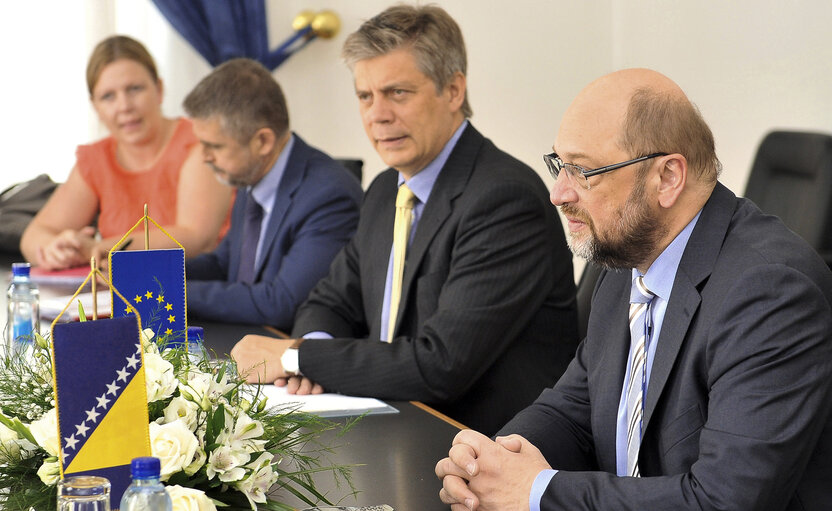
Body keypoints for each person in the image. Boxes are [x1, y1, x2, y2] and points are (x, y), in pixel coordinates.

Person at [435, 68, 832, 510]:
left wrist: (534, 493)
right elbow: (573, 409)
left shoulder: (772, 292)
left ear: (666, 178)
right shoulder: (627, 260)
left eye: (583, 171)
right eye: (559, 165)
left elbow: (723, 501)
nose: (559, 192)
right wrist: (488, 465)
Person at [230, 4, 578, 435]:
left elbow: (441, 364)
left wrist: (294, 357)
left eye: (398, 93)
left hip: (476, 446)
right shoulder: (384, 190)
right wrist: (311, 358)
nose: (377, 114)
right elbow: (332, 300)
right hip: (392, 423)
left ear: (453, 91)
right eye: (365, 96)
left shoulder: (505, 199)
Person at [20, 35, 233, 270]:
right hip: (122, 297)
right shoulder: (96, 158)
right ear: (95, 107)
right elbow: (33, 236)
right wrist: (55, 248)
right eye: (108, 96)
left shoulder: (199, 142)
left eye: (135, 89)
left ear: (159, 90)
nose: (124, 106)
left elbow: (196, 239)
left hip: (196, 293)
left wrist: (98, 249)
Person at [183, 58, 362, 329]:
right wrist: (153, 274)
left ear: (263, 141)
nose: (204, 157)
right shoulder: (251, 175)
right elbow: (224, 264)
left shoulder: (329, 197)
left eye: (214, 146)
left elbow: (282, 304)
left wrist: (172, 295)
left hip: (290, 354)